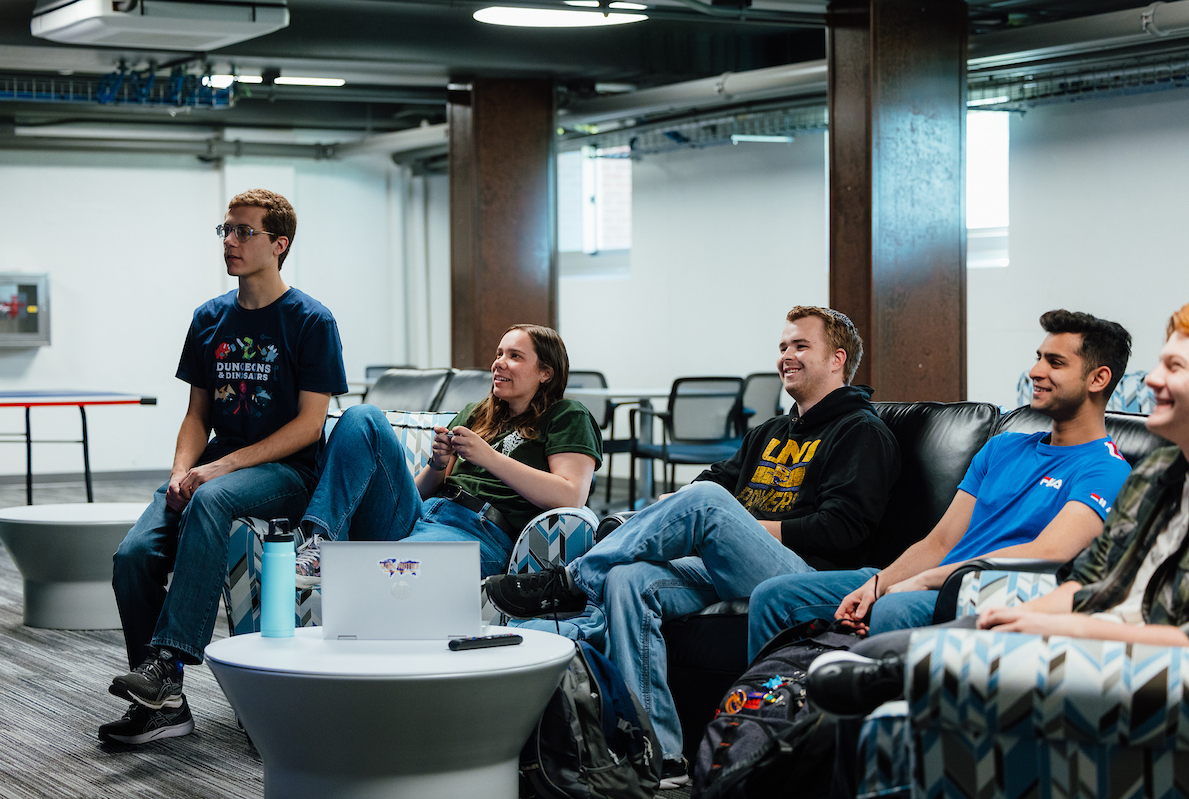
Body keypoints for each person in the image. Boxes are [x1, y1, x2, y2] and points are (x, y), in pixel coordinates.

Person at [485, 306, 902, 788]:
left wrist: (735, 527)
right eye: (783, 346)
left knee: (705, 504)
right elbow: (710, 480)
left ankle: (570, 579)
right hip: (729, 564)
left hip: (806, 575)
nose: (785, 356)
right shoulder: (770, 432)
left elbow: (843, 528)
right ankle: (659, 757)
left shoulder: (862, 431)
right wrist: (671, 512)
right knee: (629, 578)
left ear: (837, 360)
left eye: (800, 346)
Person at [806, 297, 1189, 720]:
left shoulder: (1109, 469)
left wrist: (1053, 626)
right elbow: (1089, 581)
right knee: (865, 660)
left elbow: (1057, 559)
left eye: (1174, 367)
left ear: (1097, 378)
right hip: (1031, 608)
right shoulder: (1158, 472)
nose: (1152, 380)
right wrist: (1011, 616)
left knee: (879, 663)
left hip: (1133, 662)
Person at [101, 189, 348, 745]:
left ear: (279, 244)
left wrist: (219, 471)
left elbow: (310, 425)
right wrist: (180, 470)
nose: (230, 242)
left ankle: (166, 664)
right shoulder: (209, 318)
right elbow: (196, 414)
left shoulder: (312, 321)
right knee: (134, 556)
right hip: (216, 466)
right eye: (226, 231)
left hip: (287, 473)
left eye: (244, 232)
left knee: (212, 499)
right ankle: (164, 706)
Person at [747, 309, 1134, 658]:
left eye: (1055, 362)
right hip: (928, 580)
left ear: (1098, 378)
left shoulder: (1106, 469)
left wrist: (924, 581)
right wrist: (881, 582)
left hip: (976, 593)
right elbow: (941, 542)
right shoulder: (1003, 447)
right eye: (1038, 358)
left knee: (895, 607)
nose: (1035, 371)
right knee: (775, 595)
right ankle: (762, 722)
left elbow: (1048, 552)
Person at [295, 323, 603, 580]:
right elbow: (421, 492)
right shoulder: (476, 413)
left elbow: (570, 496)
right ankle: (320, 543)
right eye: (499, 354)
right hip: (422, 516)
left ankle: (369, 567)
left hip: (479, 532)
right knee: (363, 417)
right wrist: (438, 464)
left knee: (393, 570)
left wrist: (489, 457)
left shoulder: (566, 415)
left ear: (545, 372)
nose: (499, 362)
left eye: (515, 356)